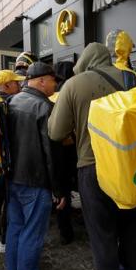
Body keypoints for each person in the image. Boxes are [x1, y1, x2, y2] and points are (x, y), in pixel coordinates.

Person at [48, 43, 136, 270]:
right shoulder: (132, 79)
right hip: (131, 165)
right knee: (134, 228)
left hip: (93, 168)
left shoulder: (73, 85)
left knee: (102, 236)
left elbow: (56, 131)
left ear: (84, 61)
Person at [5, 62, 62, 270]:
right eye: (52, 80)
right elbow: (51, 154)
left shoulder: (13, 100)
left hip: (13, 177)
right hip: (35, 180)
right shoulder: (44, 107)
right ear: (40, 81)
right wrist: (58, 189)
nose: (55, 84)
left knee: (16, 228)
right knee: (32, 232)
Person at [0, 69, 26, 253]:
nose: (19, 85)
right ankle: (5, 240)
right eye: (15, 83)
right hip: (7, 162)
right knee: (8, 202)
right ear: (6, 85)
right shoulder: (9, 104)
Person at [52, 61, 77, 245]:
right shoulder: (70, 91)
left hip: (57, 150)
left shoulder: (52, 93)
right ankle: (67, 232)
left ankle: (64, 229)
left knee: (63, 189)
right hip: (69, 148)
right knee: (68, 187)